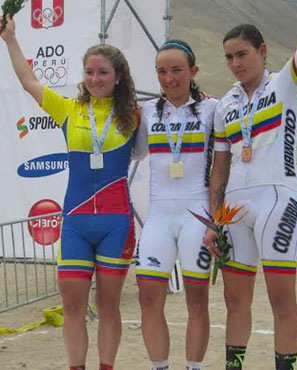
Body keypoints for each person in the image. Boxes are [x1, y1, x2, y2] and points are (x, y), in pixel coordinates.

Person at [1, 14, 138, 370]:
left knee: (109, 306)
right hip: (75, 224)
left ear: (118, 76)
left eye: (103, 73)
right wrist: (10, 39)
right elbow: (28, 80)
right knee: (73, 306)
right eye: (90, 72)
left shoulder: (136, 116)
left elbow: (179, 112)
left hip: (116, 224)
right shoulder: (69, 109)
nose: (95, 79)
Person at [203, 1, 297, 369]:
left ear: (262, 51)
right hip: (234, 208)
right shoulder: (226, 104)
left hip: (278, 199)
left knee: (280, 300)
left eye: (241, 54)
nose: (235, 63)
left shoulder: (287, 83)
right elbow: (219, 171)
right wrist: (214, 220)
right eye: (228, 57)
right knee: (235, 302)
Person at [133, 39, 218, 370]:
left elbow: (229, 159)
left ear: (193, 71)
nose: (169, 78)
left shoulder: (214, 109)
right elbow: (136, 152)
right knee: (148, 299)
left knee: (197, 301)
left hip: (197, 217)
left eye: (177, 70)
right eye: (162, 72)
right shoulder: (148, 113)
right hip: (158, 218)